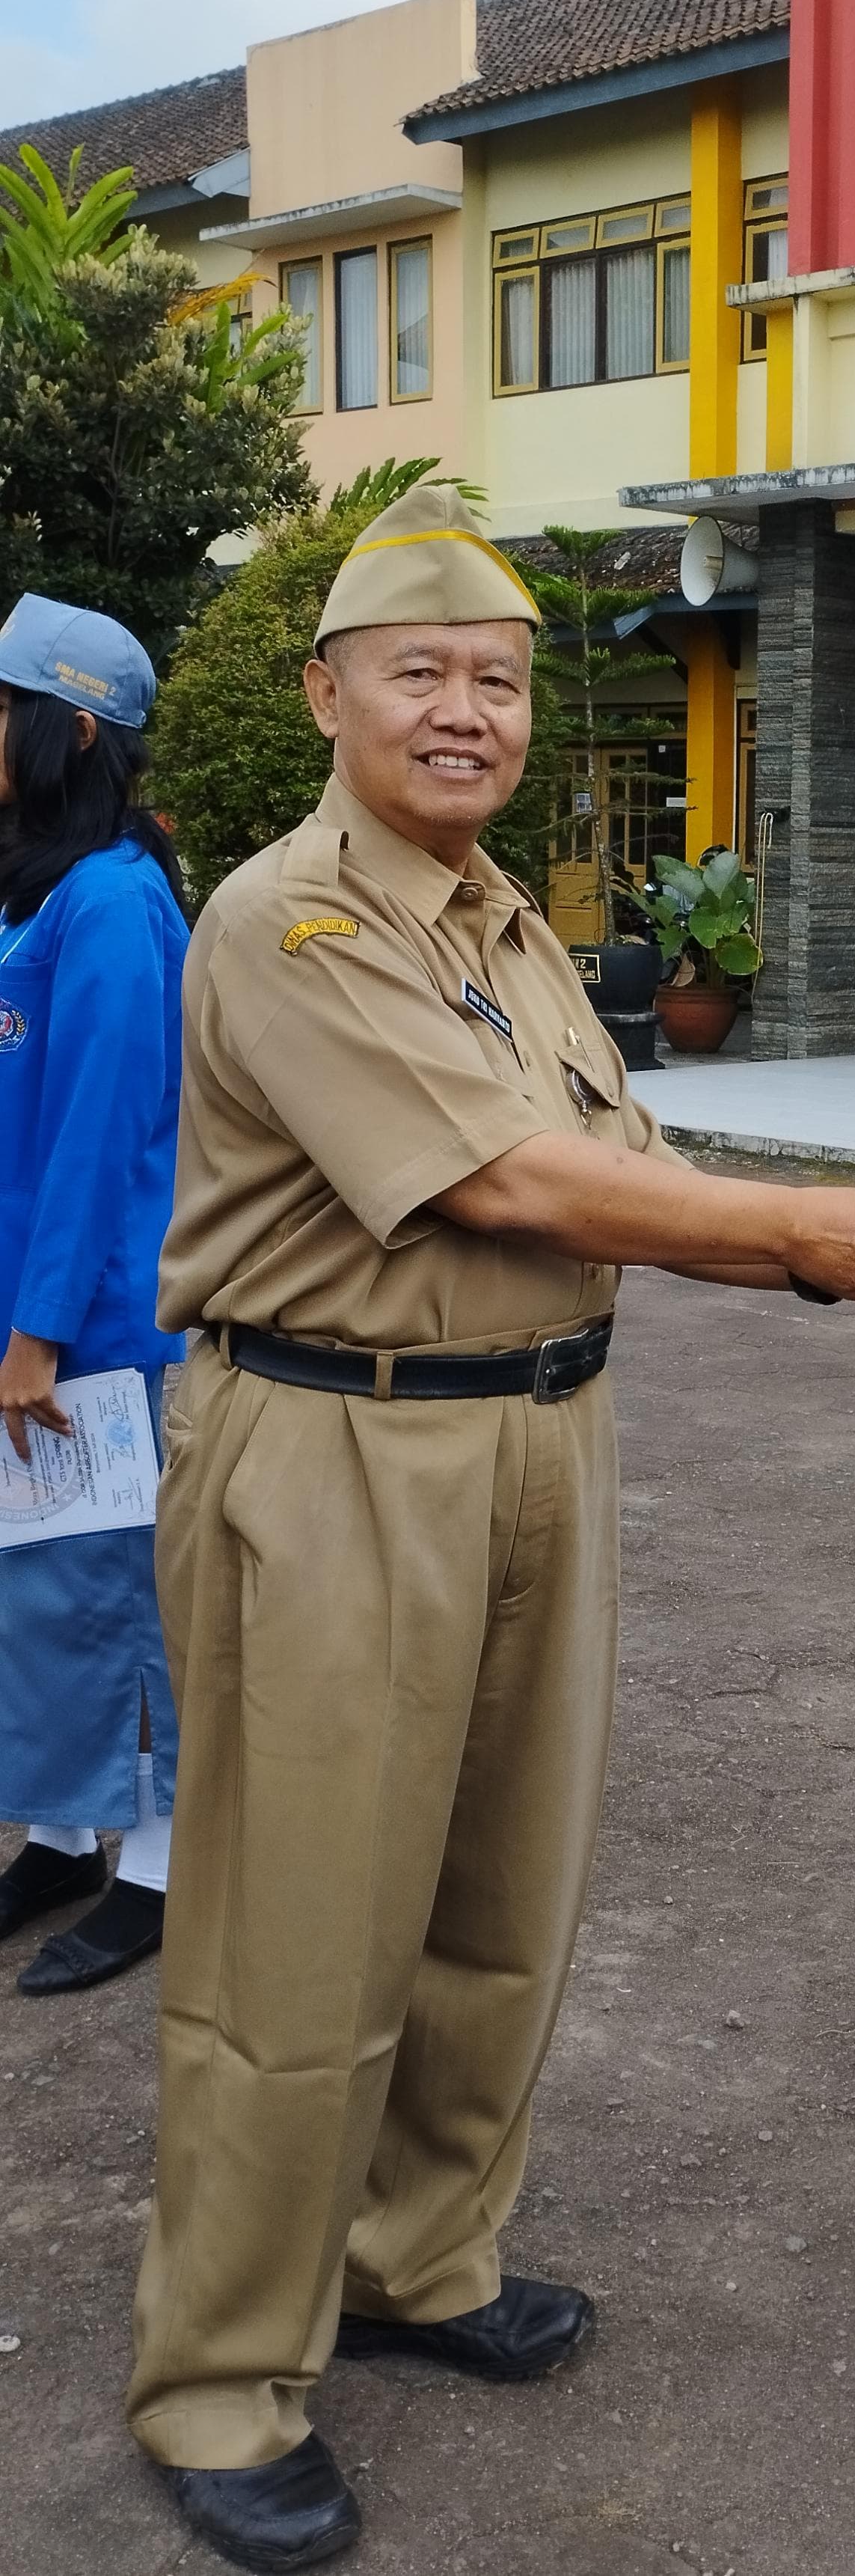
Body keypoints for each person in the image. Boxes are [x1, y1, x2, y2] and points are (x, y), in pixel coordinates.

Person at [127, 483, 855, 2575]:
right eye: (421, 671)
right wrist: (793, 1227)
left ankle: (424, 2254)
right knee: (292, 1933)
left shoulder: (511, 924)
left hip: (536, 1440)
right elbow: (510, 1183)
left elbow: (624, 1170)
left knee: (505, 1898)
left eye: (499, 680)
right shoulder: (289, 917)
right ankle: (223, 2371)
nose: (467, 710)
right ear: (327, 694)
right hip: (334, 1448)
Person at [0, 596, 188, 1995]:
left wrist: (40, 1332)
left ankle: (161, 1867)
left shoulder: (118, 903)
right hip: (29, 1316)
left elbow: (95, 1137)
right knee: (44, 1585)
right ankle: (66, 1832)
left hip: (96, 1327)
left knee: (126, 1594)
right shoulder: (44, 884)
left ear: (67, 729)